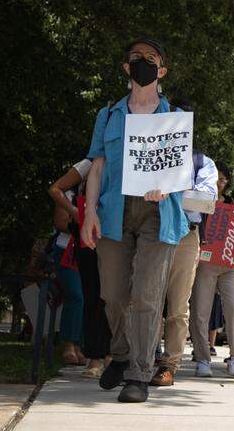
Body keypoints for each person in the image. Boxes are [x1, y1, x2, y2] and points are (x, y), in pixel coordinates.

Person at [80, 36, 189, 404]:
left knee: (147, 295)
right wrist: (89, 212)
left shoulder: (173, 119)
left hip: (158, 215)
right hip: (113, 210)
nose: (143, 62)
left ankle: (139, 374)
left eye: (151, 57)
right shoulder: (108, 115)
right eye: (136, 57)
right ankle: (122, 352)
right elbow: (97, 166)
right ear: (127, 68)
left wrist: (165, 187)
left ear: (162, 70)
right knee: (111, 294)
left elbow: (178, 174)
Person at [152, 147, 218, 386]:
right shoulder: (151, 153)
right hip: (151, 232)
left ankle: (169, 364)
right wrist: (185, 195)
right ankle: (141, 359)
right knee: (144, 299)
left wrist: (166, 192)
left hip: (186, 236)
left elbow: (206, 201)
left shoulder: (202, 163)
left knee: (178, 305)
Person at [50, 158, 111, 379]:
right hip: (80, 245)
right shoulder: (87, 164)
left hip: (113, 239)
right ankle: (83, 351)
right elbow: (55, 190)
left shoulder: (128, 157)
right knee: (86, 296)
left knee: (112, 298)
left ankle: (108, 354)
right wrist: (79, 214)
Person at [189, 162, 234, 378]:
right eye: (217, 179)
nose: (220, 183)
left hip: (229, 264)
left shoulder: (233, 204)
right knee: (200, 311)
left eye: (223, 180)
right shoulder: (200, 201)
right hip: (205, 262)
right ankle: (203, 358)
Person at [49, 189, 85, 365]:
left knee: (87, 298)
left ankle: (79, 346)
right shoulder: (67, 194)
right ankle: (68, 345)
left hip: (91, 251)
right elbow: (60, 223)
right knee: (76, 295)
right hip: (67, 251)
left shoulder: (104, 191)